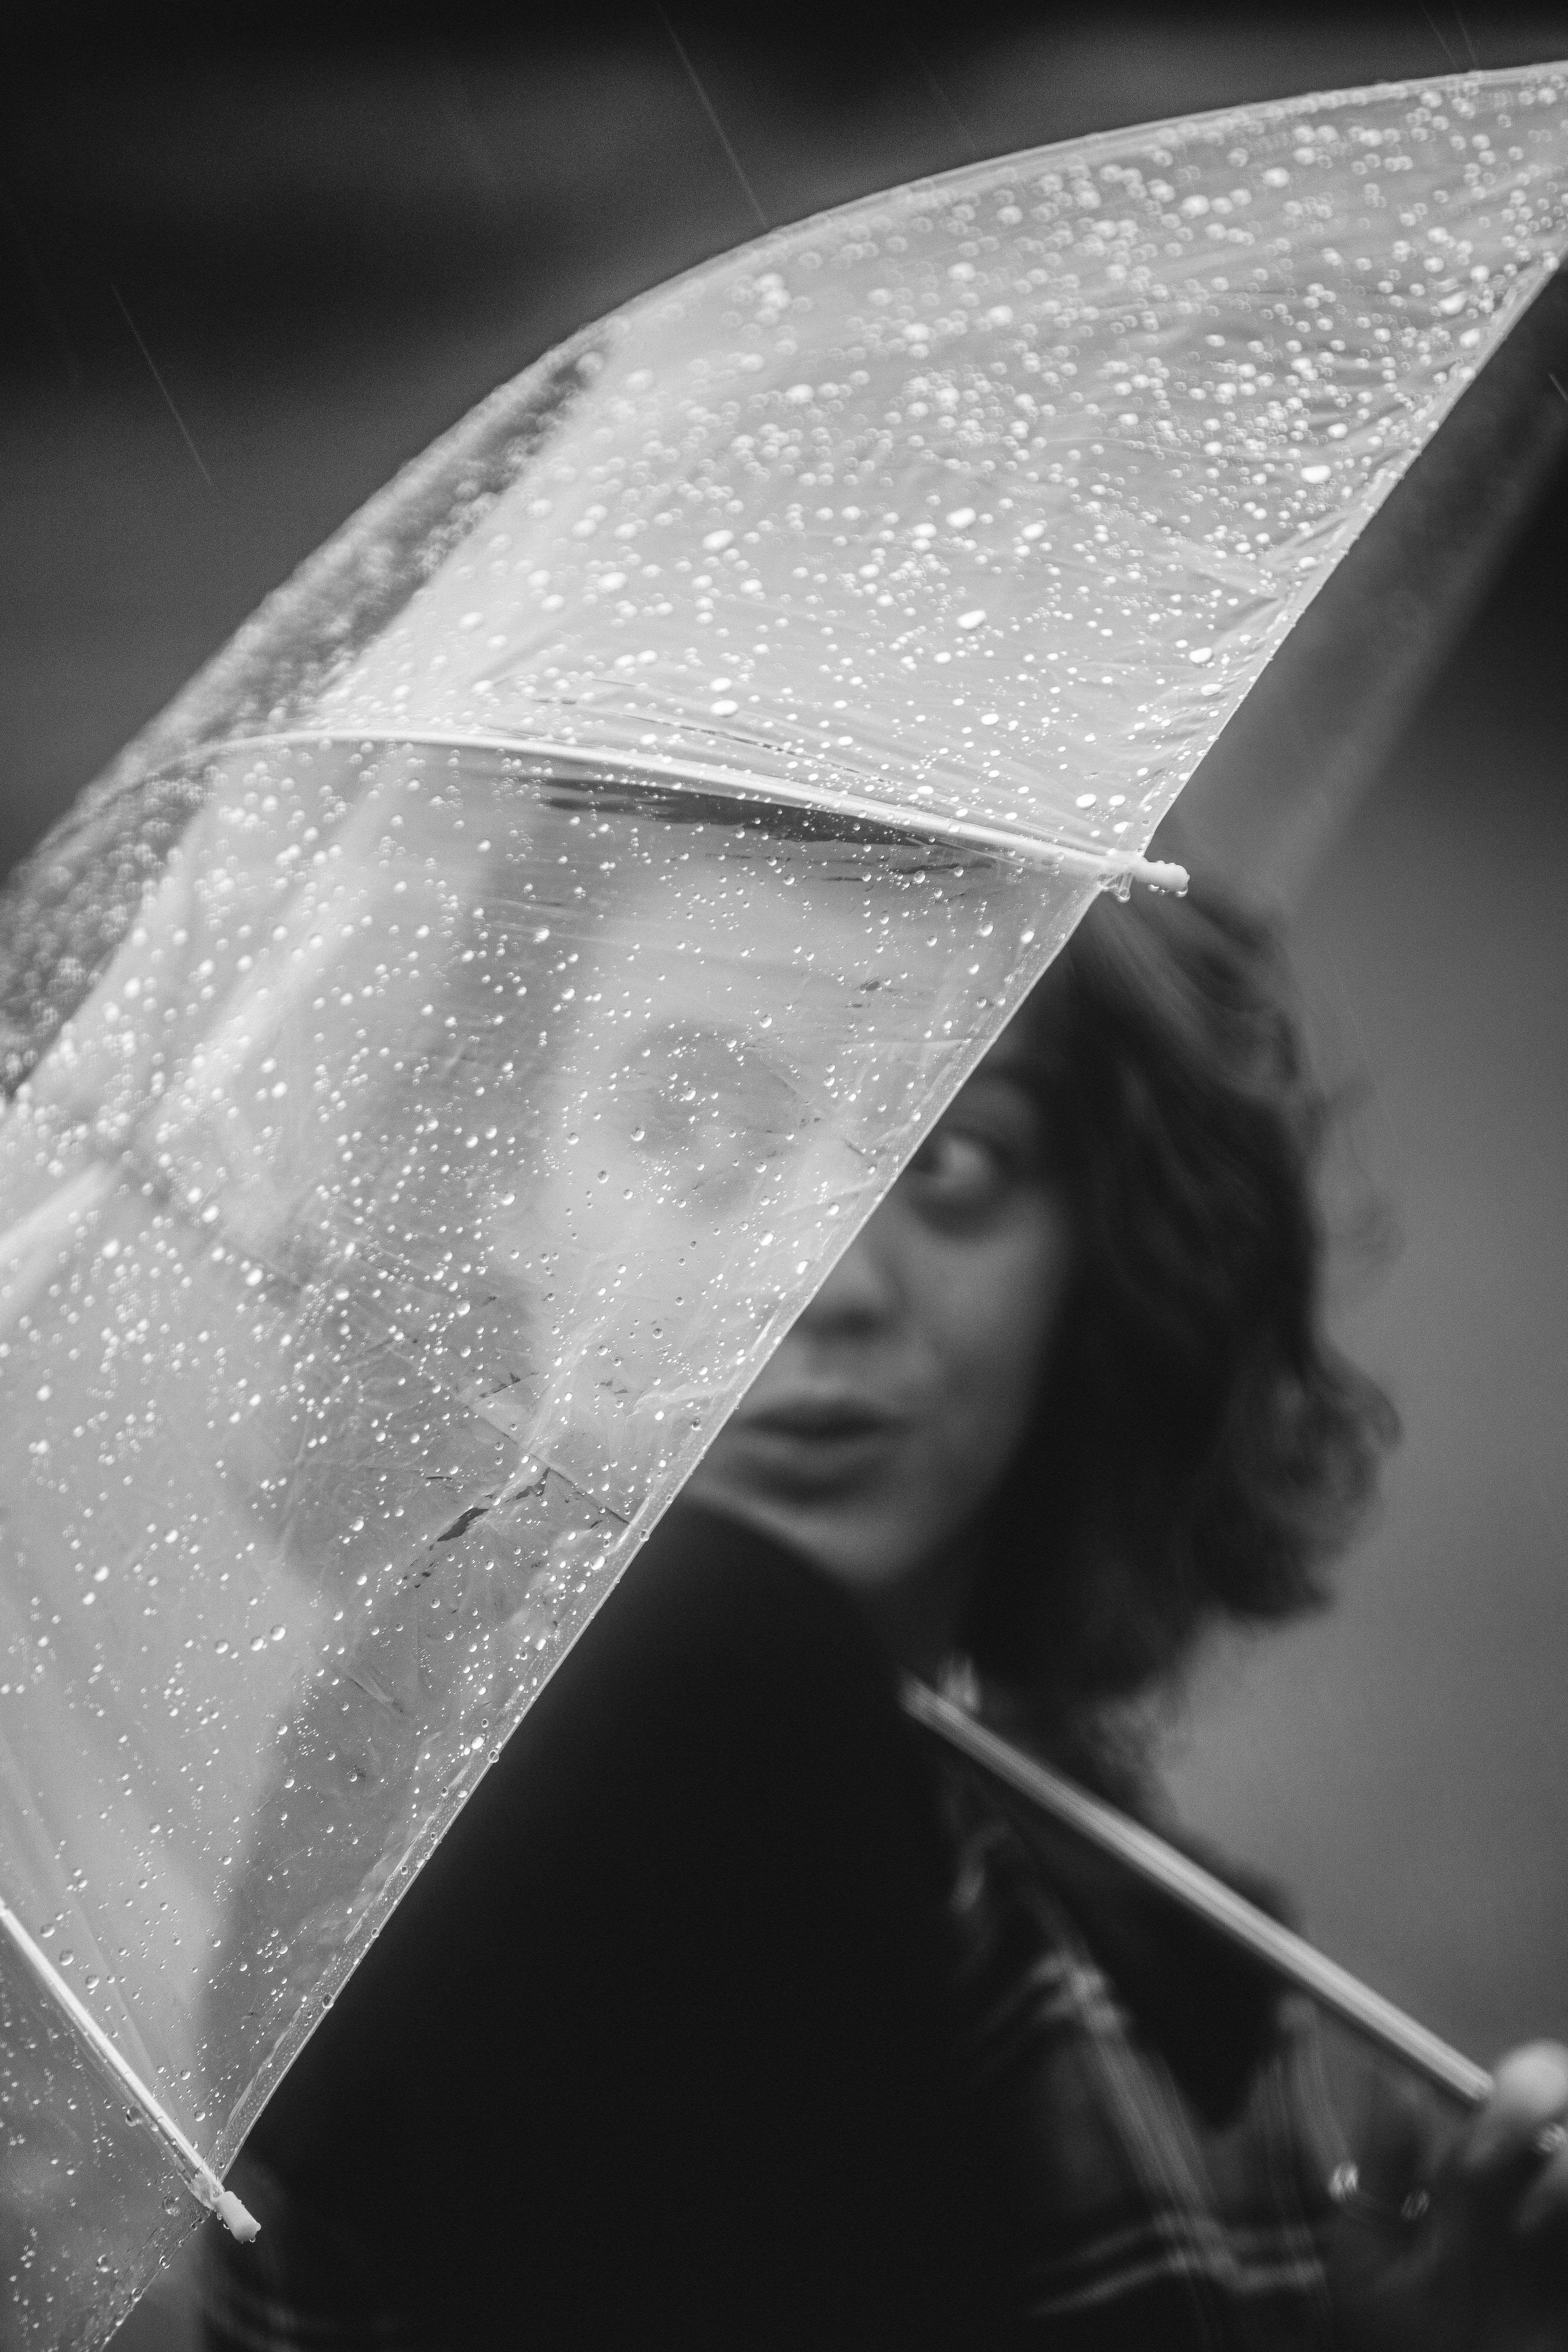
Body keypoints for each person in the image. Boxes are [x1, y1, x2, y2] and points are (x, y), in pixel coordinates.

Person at [190, 879, 1568, 2350]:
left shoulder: (1016, 1800)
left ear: (1098, 1223)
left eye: (953, 1151)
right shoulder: (616, 1787)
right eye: (687, 1121)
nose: (827, 1280)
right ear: (504, 1186)